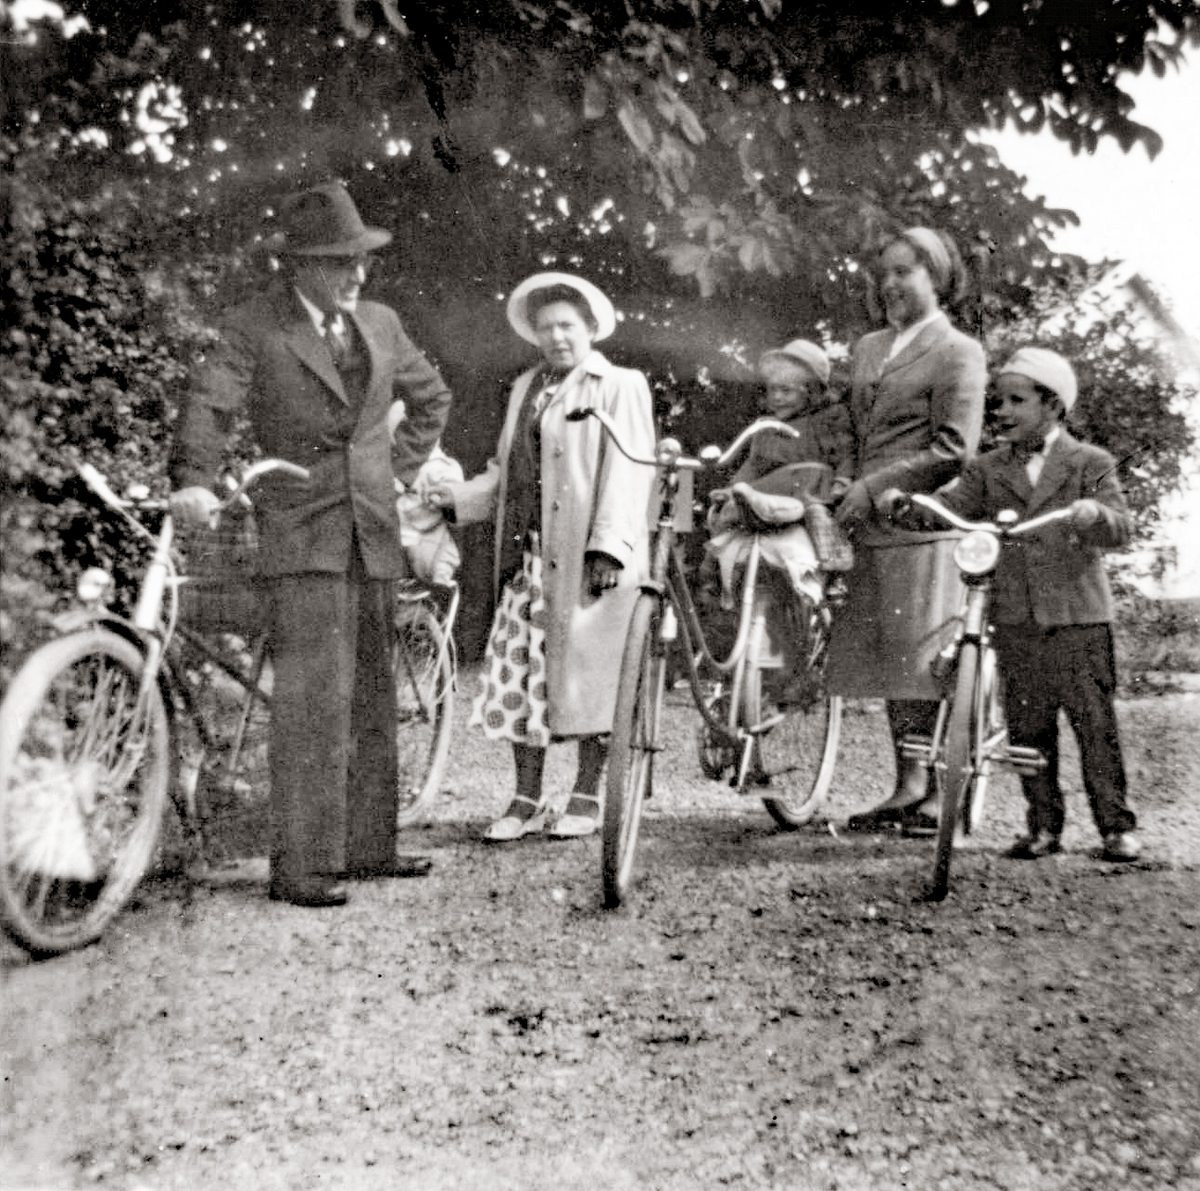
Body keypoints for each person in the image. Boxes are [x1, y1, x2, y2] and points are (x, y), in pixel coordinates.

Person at [169, 181, 452, 906]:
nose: (357, 274)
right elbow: (210, 403)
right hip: (300, 528)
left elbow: (432, 398)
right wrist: (194, 479)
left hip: (373, 526)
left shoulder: (381, 322)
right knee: (311, 702)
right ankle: (301, 867)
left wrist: (397, 472)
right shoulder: (254, 326)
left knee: (372, 694)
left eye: (361, 260)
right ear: (298, 265)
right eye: (338, 262)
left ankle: (369, 848)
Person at [881, 347, 1140, 861]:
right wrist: (909, 508)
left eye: (1016, 401)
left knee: (1094, 724)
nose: (1001, 411)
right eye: (997, 401)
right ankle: (1042, 825)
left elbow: (1121, 527)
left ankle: (1115, 826)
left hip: (1077, 617)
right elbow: (952, 508)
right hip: (1016, 616)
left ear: (1053, 405)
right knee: (1028, 726)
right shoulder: (988, 468)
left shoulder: (1089, 463)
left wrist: (1095, 515)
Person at [428, 272, 656, 841]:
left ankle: (587, 795)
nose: (556, 337)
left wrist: (610, 547)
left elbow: (631, 471)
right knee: (520, 674)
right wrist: (459, 498)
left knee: (593, 675)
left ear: (590, 328)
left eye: (567, 326)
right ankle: (526, 799)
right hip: (531, 557)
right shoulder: (528, 386)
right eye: (546, 327)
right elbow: (510, 472)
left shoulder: (619, 384)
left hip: (590, 555)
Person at [828, 226, 986, 835]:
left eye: (905, 272)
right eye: (885, 274)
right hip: (868, 521)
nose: (890, 284)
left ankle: (938, 793)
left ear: (937, 276)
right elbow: (852, 429)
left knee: (923, 655)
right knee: (891, 658)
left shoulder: (958, 351)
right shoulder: (868, 348)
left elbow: (953, 447)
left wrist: (875, 486)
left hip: (921, 520)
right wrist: (847, 481)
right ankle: (908, 785)